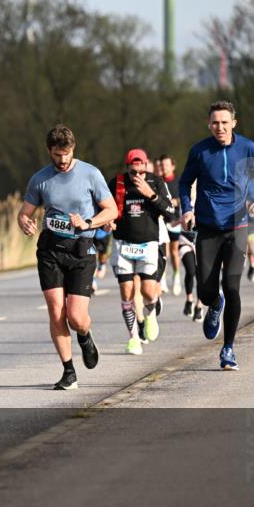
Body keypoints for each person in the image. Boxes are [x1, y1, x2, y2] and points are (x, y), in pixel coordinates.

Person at [17, 125, 117, 390]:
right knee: (55, 310)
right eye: (57, 154)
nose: (62, 160)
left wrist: (87, 222)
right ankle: (68, 371)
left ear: (74, 149)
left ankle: (85, 337)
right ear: (49, 151)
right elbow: (24, 212)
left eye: (67, 153)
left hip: (82, 250)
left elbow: (112, 210)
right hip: (50, 250)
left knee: (76, 317)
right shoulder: (40, 179)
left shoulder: (90, 174)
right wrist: (25, 222)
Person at [179, 100, 254, 370]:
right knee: (206, 291)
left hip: (237, 226)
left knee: (232, 287)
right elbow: (184, 182)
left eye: (224, 122)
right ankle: (213, 303)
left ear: (234, 123)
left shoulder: (248, 147)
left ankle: (228, 348)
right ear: (209, 124)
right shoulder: (199, 151)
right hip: (207, 227)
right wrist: (187, 209)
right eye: (215, 123)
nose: (220, 127)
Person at [107, 149, 177, 355]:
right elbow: (104, 207)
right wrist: (107, 222)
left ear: (146, 166)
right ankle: (134, 338)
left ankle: (151, 314)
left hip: (148, 245)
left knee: (148, 291)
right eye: (132, 171)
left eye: (140, 170)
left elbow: (171, 212)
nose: (137, 175)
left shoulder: (156, 182)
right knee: (127, 292)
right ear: (127, 167)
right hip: (123, 244)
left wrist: (151, 194)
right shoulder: (117, 183)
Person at [157, 155, 184, 296]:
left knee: (174, 252)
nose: (163, 168)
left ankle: (177, 276)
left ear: (172, 166)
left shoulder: (179, 181)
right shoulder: (157, 181)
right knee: (163, 253)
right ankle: (162, 279)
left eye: (166, 165)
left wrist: (175, 201)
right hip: (162, 221)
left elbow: (183, 198)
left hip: (174, 221)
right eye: (162, 165)